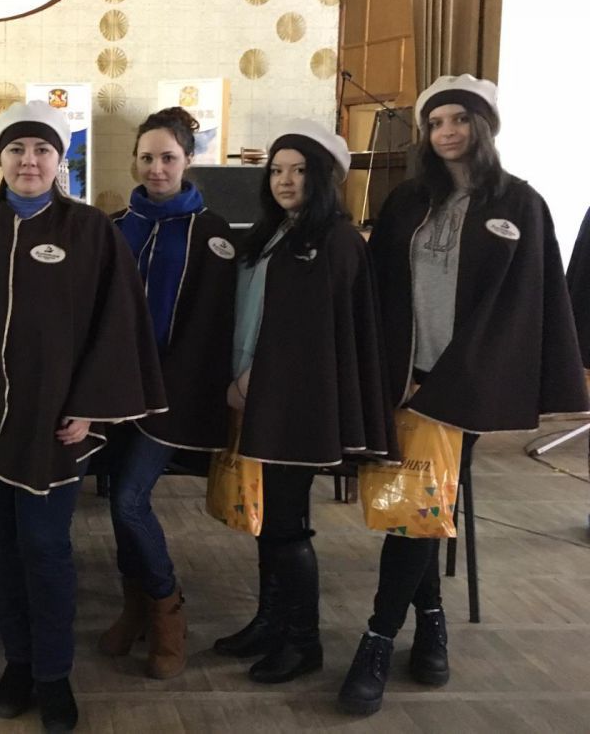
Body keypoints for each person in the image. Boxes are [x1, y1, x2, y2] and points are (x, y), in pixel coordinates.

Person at [0, 101, 167, 733]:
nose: (29, 161)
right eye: (17, 150)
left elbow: (116, 325)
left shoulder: (90, 230)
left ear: (59, 159)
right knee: (0, 548)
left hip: (54, 426)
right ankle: (18, 664)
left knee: (45, 548)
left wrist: (90, 408)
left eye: (42, 150)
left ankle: (53, 673)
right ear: (0, 158)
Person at [338, 75, 590, 714]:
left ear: (484, 127)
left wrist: (448, 380)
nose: (447, 132)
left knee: (416, 510)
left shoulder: (521, 204)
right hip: (404, 379)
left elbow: (523, 307)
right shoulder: (406, 202)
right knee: (424, 506)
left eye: (459, 119)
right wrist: (390, 373)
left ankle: (376, 638)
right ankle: (431, 622)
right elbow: (380, 294)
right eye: (436, 122)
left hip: (468, 386)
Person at [214, 119, 393, 686]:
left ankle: (303, 640)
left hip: (294, 402)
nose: (285, 181)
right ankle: (270, 621)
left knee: (287, 524)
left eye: (298, 171)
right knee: (270, 520)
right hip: (257, 393)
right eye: (276, 171)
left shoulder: (335, 241)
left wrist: (256, 381)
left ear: (323, 178)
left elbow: (314, 336)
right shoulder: (272, 234)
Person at [99, 107, 236, 679]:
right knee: (117, 497)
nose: (157, 168)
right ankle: (134, 607)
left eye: (169, 158)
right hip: (114, 392)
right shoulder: (113, 225)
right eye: (148, 157)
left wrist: (172, 387)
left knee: (131, 499)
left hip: (173, 394)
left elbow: (214, 325)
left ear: (189, 159)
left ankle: (166, 606)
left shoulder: (213, 232)